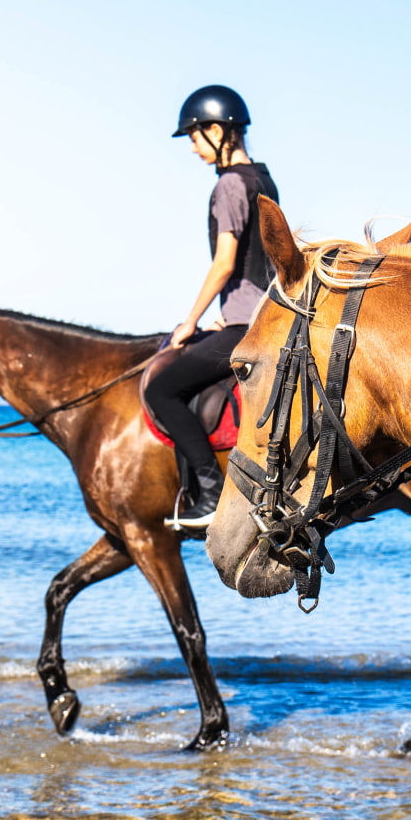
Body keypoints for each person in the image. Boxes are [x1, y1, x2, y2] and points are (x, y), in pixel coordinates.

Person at [144, 85, 281, 520]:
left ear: (220, 131)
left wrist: (190, 322)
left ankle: (208, 492)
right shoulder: (264, 179)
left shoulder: (228, 185)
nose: (192, 146)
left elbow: (225, 264)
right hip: (265, 317)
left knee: (162, 388)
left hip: (247, 329)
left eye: (195, 135)